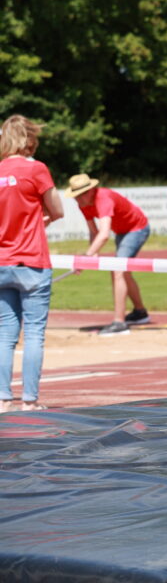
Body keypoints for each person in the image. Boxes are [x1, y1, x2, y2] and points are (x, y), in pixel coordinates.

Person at [0, 115, 63, 412]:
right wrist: (42, 218)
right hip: (33, 260)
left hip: (2, 261)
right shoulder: (36, 169)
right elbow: (58, 209)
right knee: (34, 333)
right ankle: (30, 400)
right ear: (29, 139)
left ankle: (2, 399)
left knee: (4, 334)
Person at [65, 174, 151, 335]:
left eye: (82, 194)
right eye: (76, 195)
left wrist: (85, 258)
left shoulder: (103, 199)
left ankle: (119, 323)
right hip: (122, 232)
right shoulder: (83, 204)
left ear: (91, 190)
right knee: (123, 272)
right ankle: (140, 312)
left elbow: (104, 234)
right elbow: (94, 231)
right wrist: (93, 253)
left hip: (137, 229)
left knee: (117, 270)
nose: (78, 199)